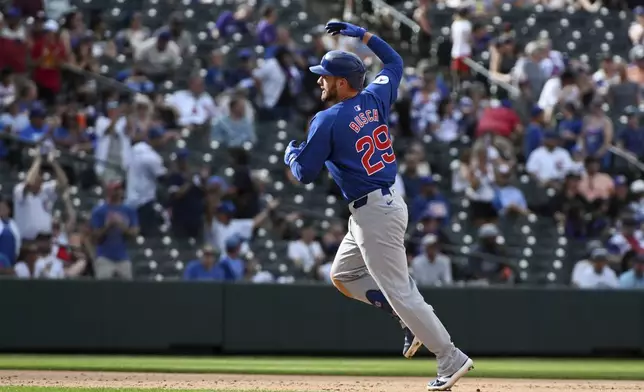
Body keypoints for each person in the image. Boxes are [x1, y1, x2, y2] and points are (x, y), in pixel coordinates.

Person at [283, 21, 473, 391]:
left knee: (402, 292)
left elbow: (304, 173)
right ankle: (405, 319)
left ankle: (450, 358)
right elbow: (395, 62)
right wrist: (363, 34)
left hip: (374, 214)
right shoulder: (374, 97)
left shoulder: (327, 119)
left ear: (341, 82)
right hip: (380, 207)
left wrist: (291, 153)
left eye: (325, 76)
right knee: (343, 276)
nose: (319, 81)